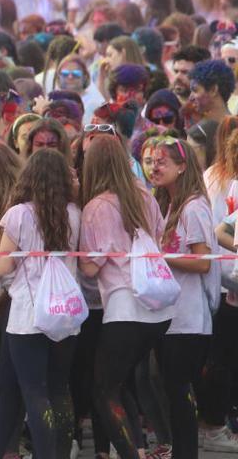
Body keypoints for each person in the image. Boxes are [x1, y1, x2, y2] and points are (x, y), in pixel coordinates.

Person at [79, 135, 174, 459]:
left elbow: (92, 268)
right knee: (119, 384)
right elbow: (160, 239)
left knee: (104, 389)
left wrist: (78, 258)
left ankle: (129, 454)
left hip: (123, 309)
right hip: (157, 311)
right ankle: (136, 448)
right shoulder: (144, 196)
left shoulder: (97, 207)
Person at [0, 149, 80, 459]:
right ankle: (4, 450)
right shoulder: (74, 213)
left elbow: (4, 267)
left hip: (27, 316)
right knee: (45, 388)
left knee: (33, 393)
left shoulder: (18, 214)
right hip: (65, 316)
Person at [143, 136, 217, 458]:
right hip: (169, 316)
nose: (153, 167)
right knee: (170, 389)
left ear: (183, 166)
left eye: (162, 161)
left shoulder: (194, 207)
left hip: (189, 318)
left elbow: (203, 262)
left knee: (179, 390)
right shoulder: (168, 204)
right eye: (148, 161)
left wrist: (159, 258)